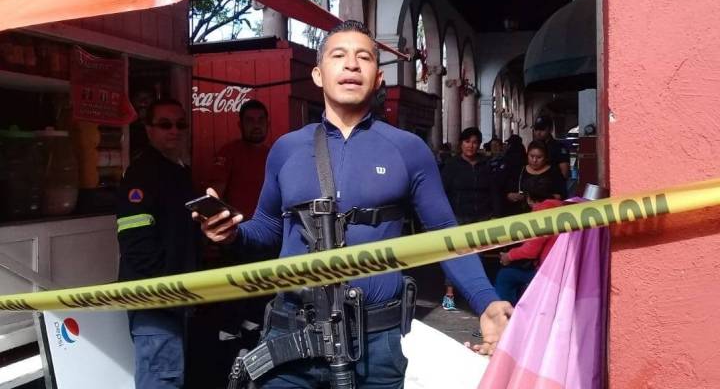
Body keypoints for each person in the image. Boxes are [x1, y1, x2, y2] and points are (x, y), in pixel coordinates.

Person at [198, 20, 512, 388]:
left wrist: (486, 301)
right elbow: (267, 228)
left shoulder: (409, 150)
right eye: (339, 55)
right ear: (318, 74)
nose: (351, 64)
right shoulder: (286, 149)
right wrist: (232, 233)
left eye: (363, 57)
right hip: (291, 335)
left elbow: (445, 234)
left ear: (378, 77)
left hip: (375, 345)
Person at [116, 99, 198, 389]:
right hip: (155, 303)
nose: (174, 130)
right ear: (149, 130)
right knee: (161, 379)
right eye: (165, 124)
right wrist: (164, 289)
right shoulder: (141, 174)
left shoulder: (180, 172)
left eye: (180, 124)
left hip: (180, 300)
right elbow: (135, 245)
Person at [440, 127, 502, 311]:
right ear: (461, 143)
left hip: (482, 216)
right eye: (467, 141)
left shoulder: (486, 165)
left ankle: (476, 293)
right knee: (455, 254)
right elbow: (443, 192)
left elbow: (494, 191)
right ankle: (449, 293)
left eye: (475, 142)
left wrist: (496, 215)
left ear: (479, 145)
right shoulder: (452, 165)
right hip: (457, 216)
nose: (471, 146)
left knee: (477, 256)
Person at [495, 193, 564, 305]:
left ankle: (508, 312)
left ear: (529, 199)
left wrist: (508, 256)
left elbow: (531, 251)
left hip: (550, 272)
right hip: (565, 269)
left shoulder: (542, 212)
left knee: (505, 276)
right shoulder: (566, 207)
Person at [209, 99, 270, 220]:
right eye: (250, 120)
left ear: (268, 124)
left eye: (261, 120)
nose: (256, 125)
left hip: (269, 227)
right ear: (240, 125)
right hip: (238, 226)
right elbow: (214, 196)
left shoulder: (273, 154)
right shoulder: (228, 153)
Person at [505, 140, 566, 215]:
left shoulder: (554, 172)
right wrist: (511, 196)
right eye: (531, 156)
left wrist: (541, 201)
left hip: (547, 213)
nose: (534, 160)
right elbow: (508, 192)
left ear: (546, 157)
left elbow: (561, 195)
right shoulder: (519, 171)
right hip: (522, 214)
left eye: (539, 157)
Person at [532, 115, 570, 179]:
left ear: (550, 129)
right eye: (536, 129)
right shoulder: (532, 146)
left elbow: (565, 173)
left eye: (542, 129)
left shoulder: (559, 147)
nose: (538, 132)